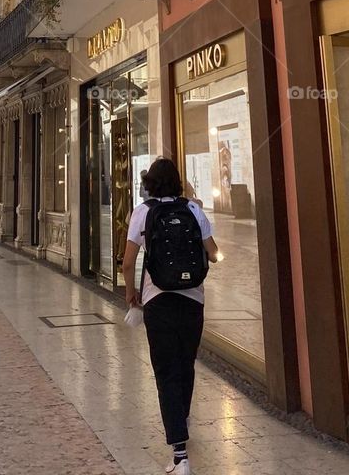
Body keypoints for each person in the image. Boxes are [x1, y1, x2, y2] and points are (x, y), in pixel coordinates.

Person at [122, 158, 219, 475]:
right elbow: (214, 254)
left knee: (165, 373)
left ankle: (180, 456)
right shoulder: (192, 210)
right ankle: (183, 419)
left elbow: (127, 262)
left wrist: (130, 294)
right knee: (186, 364)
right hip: (193, 300)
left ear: (149, 184)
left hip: (157, 300)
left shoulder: (143, 212)